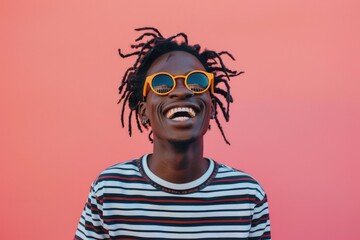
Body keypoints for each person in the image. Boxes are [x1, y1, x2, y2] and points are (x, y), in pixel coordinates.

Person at [74, 27, 271, 240]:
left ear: (212, 107)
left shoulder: (246, 195)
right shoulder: (110, 191)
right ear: (143, 113)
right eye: (161, 84)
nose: (181, 91)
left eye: (197, 82)